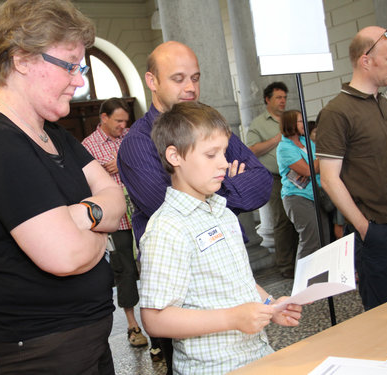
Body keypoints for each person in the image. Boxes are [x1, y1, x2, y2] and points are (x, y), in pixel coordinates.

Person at [0, 1, 125, 373]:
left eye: (82, 66)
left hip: (77, 339)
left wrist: (78, 215)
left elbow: (116, 197)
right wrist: (99, 228)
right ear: (22, 59)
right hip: (32, 350)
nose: (80, 79)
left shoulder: (54, 134)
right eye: (70, 65)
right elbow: (66, 257)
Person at [117, 40, 273, 371]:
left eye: (196, 77)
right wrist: (230, 182)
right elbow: (174, 204)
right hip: (182, 290)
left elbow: (261, 182)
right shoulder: (137, 145)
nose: (190, 87)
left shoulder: (207, 127)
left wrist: (269, 304)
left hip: (230, 285)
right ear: (152, 81)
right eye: (178, 78)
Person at [140, 101, 302, 375]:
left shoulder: (223, 212)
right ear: (175, 156)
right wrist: (232, 318)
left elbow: (239, 282)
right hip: (213, 367)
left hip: (257, 354)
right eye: (211, 154)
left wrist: (270, 306)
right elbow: (155, 319)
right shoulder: (168, 228)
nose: (225, 163)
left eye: (224, 153)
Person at [316, 26, 387, 310]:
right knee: (385, 319)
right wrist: (365, 229)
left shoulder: (385, 105)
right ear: (366, 60)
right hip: (377, 233)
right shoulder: (337, 112)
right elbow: (329, 178)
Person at [81, 97, 148, 348]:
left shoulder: (133, 137)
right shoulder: (88, 145)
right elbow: (84, 183)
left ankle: (160, 319)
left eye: (125, 121)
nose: (123, 125)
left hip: (142, 211)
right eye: (118, 121)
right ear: (104, 118)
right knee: (126, 271)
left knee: (152, 265)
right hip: (116, 220)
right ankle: (133, 325)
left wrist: (123, 163)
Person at [246, 82, 298, 278]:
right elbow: (251, 150)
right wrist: (276, 139)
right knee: (282, 220)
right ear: (268, 100)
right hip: (275, 177)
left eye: (285, 97)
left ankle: (300, 260)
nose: (283, 101)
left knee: (299, 218)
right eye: (278, 97)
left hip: (298, 175)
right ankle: (286, 266)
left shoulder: (291, 118)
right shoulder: (259, 124)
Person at [277, 110, 330, 262]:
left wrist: (315, 163)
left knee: (323, 237)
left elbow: (315, 166)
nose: (304, 124)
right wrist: (320, 157)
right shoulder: (284, 147)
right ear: (290, 124)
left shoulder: (307, 142)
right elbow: (308, 170)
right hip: (297, 197)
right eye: (300, 121)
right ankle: (303, 282)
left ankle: (322, 277)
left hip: (317, 195)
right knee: (311, 239)